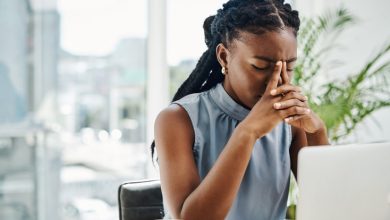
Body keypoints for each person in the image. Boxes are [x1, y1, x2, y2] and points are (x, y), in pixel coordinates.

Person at [151, 0, 329, 219]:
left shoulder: (290, 123)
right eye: (260, 67)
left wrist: (317, 131)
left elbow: (330, 204)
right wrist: (248, 132)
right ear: (224, 57)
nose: (279, 80)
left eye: (289, 67)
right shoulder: (178, 119)